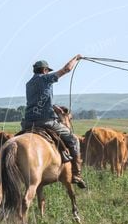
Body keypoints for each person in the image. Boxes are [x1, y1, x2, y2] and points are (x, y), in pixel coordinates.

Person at [22, 55, 87, 188]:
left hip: (28, 123)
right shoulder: (46, 79)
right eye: (47, 70)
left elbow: (38, 100)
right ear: (45, 70)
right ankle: (76, 173)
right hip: (45, 121)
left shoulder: (29, 83)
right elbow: (67, 69)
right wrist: (76, 58)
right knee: (73, 139)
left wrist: (53, 106)